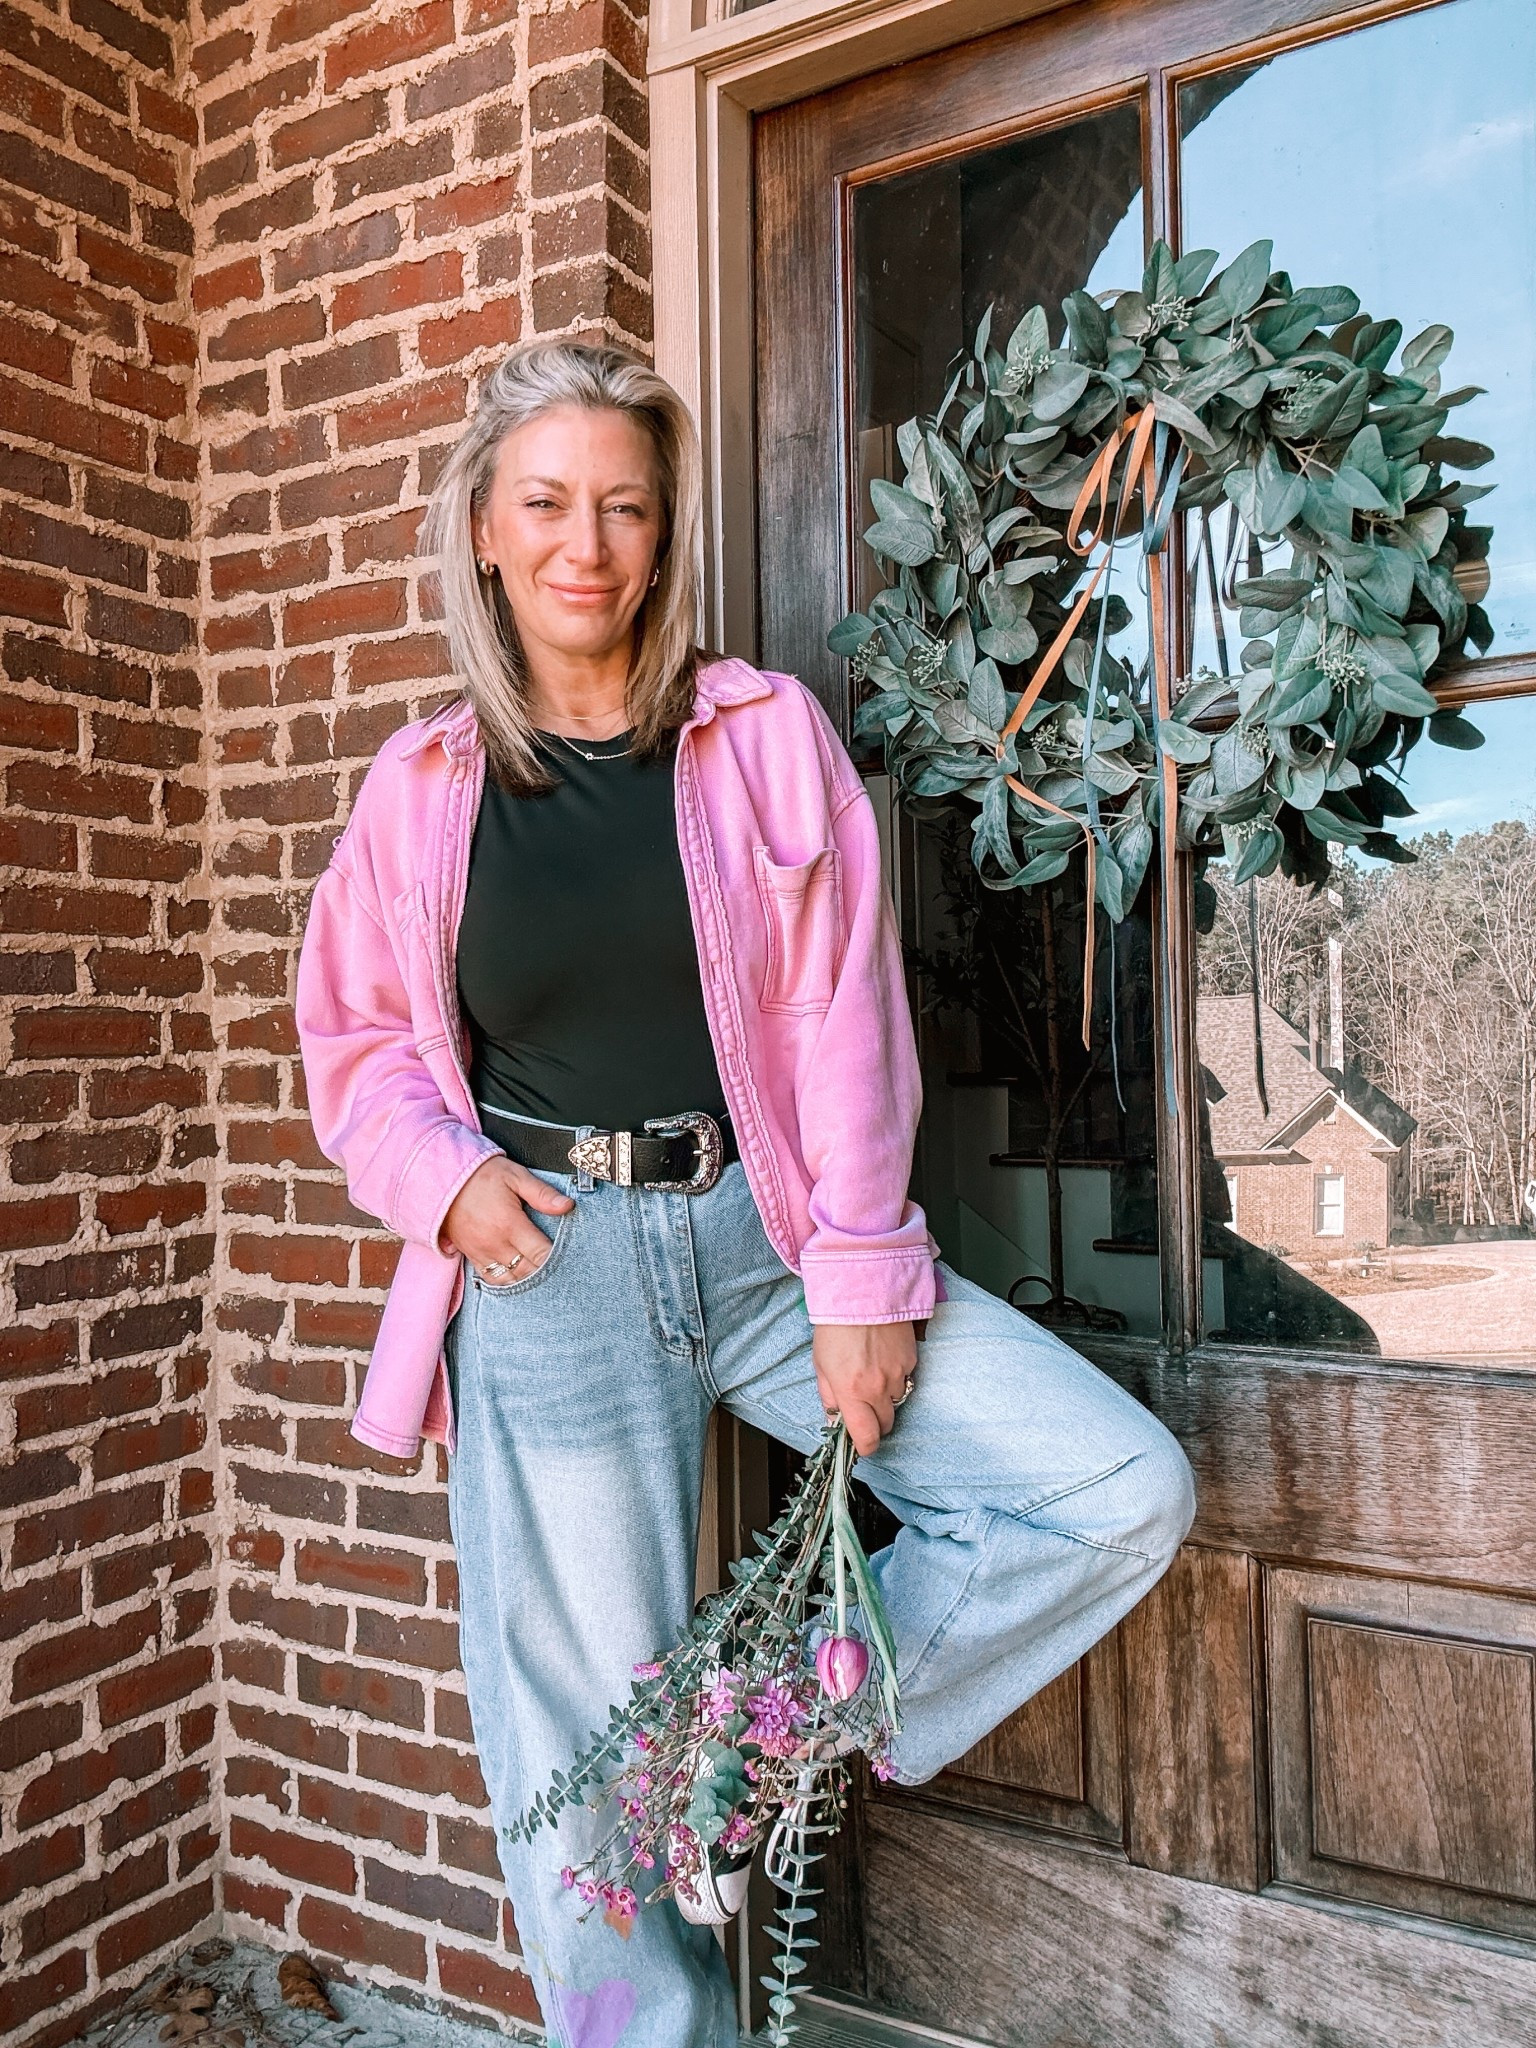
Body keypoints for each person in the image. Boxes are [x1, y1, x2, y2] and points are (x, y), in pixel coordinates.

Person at [294, 339, 1195, 2048]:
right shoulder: (420, 792)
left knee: (1113, 1489)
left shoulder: (760, 735)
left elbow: (846, 1016)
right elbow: (354, 1039)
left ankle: (744, 1746)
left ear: (663, 532)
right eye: (548, 502)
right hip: (542, 1260)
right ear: (485, 528)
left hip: (772, 1242)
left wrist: (862, 1272)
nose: (588, 543)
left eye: (626, 506)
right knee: (573, 1738)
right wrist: (448, 1179)